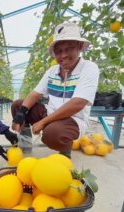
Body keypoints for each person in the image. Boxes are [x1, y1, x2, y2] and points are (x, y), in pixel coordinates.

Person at [12, 22, 100, 158]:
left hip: (73, 119)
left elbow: (78, 103)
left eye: (69, 48)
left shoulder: (89, 68)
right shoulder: (53, 71)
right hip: (50, 113)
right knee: (19, 105)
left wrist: (43, 122)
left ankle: (65, 153)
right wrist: (20, 115)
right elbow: (35, 94)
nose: (63, 55)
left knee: (53, 134)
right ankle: (25, 145)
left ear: (79, 47)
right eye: (59, 51)